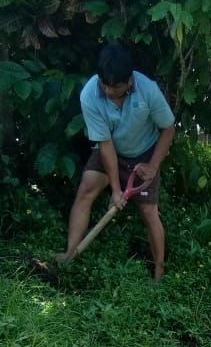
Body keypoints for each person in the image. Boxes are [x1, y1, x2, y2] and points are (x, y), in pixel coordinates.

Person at [56, 42, 175, 281]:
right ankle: (70, 253)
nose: (109, 91)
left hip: (144, 153)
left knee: (149, 211)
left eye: (116, 86)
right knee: (86, 188)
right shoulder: (89, 95)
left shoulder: (148, 90)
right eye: (105, 84)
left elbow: (168, 128)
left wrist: (153, 166)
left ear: (129, 81)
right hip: (111, 149)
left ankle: (159, 271)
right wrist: (116, 189)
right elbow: (105, 144)